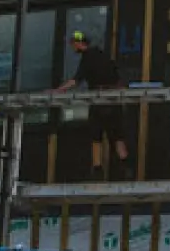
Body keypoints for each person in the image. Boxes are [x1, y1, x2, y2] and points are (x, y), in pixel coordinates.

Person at [52, 31, 129, 170]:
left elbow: (76, 80)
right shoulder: (102, 55)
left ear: (79, 43)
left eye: (73, 44)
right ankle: (126, 166)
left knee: (96, 136)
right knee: (117, 135)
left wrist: (58, 90)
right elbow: (118, 77)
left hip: (98, 100)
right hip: (113, 99)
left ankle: (97, 168)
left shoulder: (87, 58)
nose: (72, 47)